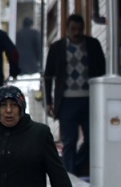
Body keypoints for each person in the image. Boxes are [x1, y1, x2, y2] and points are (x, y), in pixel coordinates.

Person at [43, 14, 106, 177]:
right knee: (69, 141)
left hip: (89, 99)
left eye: (79, 29)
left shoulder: (93, 45)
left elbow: (102, 71)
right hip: (66, 101)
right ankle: (69, 176)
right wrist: (48, 101)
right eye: (73, 29)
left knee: (93, 139)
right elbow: (48, 76)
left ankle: (77, 166)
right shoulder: (57, 48)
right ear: (67, 30)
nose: (76, 33)